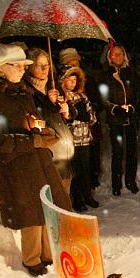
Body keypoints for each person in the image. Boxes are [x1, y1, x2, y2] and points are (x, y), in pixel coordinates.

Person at [0, 44, 71, 276]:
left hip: (38, 161)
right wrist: (31, 141)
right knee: (30, 213)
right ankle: (32, 258)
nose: (21, 69)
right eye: (15, 66)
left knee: (49, 206)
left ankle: (49, 253)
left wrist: (41, 132)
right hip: (17, 165)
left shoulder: (22, 91)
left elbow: (30, 121)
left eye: (22, 65)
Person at [25, 47, 75, 196]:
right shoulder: (27, 91)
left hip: (65, 152)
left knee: (65, 194)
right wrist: (48, 102)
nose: (45, 68)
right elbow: (36, 118)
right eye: (39, 65)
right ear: (29, 67)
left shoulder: (53, 85)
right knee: (53, 196)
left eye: (47, 64)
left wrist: (67, 112)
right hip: (49, 152)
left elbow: (72, 112)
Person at [59, 47, 103, 189]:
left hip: (87, 133)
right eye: (69, 64)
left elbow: (93, 110)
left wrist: (87, 113)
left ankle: (89, 188)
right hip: (70, 137)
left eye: (75, 63)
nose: (73, 66)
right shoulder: (61, 92)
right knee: (74, 167)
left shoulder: (87, 84)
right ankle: (77, 195)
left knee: (88, 162)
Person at [102, 42, 140, 196]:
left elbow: (139, 95)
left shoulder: (131, 73)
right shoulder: (106, 74)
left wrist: (132, 108)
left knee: (132, 151)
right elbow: (102, 98)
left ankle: (130, 181)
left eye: (120, 53)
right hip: (115, 120)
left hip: (131, 119)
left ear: (124, 55)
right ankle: (116, 184)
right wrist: (114, 108)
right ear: (110, 56)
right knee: (117, 152)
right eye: (114, 54)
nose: (117, 56)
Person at [60, 66, 99, 212]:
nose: (72, 83)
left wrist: (86, 117)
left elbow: (92, 118)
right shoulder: (62, 98)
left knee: (85, 169)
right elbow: (64, 120)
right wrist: (73, 117)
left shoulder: (82, 97)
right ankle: (77, 200)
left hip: (84, 139)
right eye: (69, 80)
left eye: (75, 80)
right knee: (74, 171)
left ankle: (87, 195)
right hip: (70, 140)